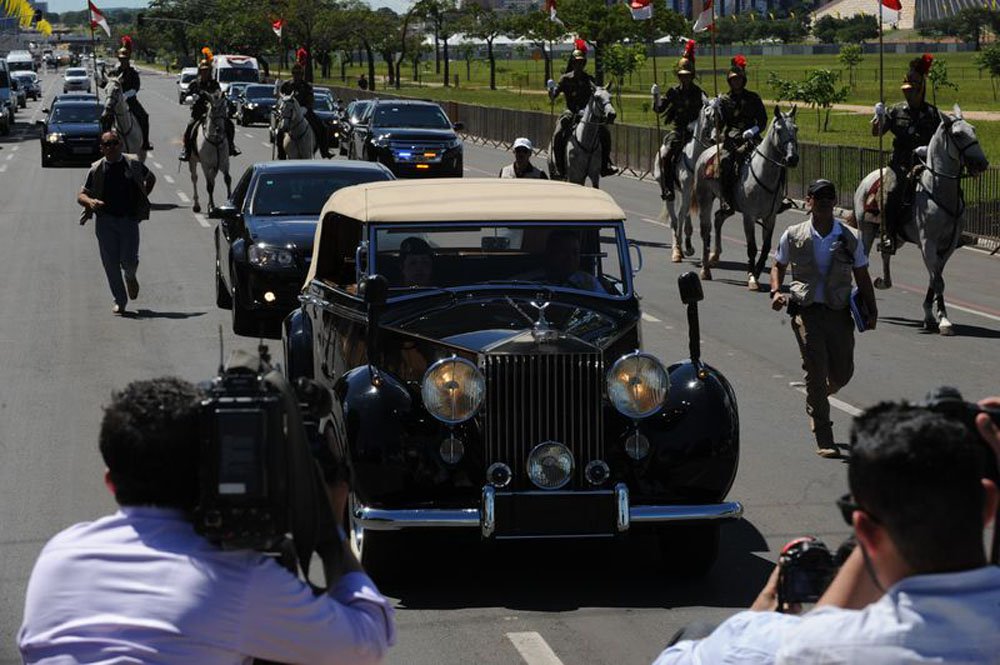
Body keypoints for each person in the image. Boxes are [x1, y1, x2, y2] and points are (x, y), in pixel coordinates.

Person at [18, 377, 396, 664]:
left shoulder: (57, 558)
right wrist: (330, 530)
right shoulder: (235, 579)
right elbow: (367, 642)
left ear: (111, 483)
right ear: (209, 473)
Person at [653, 401, 1000, 665]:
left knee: (699, 631)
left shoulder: (798, 646)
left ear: (865, 533)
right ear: (988, 505)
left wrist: (761, 612)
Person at [770, 179, 877, 458]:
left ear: (835, 202)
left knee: (842, 373)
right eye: (819, 197)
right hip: (806, 312)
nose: (825, 201)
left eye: (830, 196)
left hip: (839, 313)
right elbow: (778, 265)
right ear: (809, 202)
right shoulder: (793, 234)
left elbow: (862, 274)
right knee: (816, 370)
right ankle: (823, 434)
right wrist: (776, 291)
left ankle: (817, 397)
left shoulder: (850, 237)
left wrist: (872, 309)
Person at [77, 130, 156, 316]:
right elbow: (81, 195)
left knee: (129, 261)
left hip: (129, 220)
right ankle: (120, 301)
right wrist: (90, 202)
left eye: (114, 143)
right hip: (105, 222)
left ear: (120, 145)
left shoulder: (133, 164)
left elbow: (151, 178)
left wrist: (142, 198)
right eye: (107, 144)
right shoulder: (97, 169)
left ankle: (130, 276)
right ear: (101, 148)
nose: (111, 147)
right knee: (110, 264)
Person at [871, 54, 940, 251]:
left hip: (925, 164)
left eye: (912, 90)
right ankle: (888, 234)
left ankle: (953, 228)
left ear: (921, 89)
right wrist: (878, 116)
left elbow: (941, 139)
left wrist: (929, 149)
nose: (908, 94)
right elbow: (877, 133)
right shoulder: (896, 111)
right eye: (906, 90)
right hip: (900, 164)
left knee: (948, 185)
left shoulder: (933, 114)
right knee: (892, 191)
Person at [715, 55, 791, 221]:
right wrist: (716, 110)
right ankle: (727, 200)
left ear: (743, 80)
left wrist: (754, 130)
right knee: (725, 163)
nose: (736, 82)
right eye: (733, 80)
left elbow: (763, 120)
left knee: (778, 161)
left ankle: (780, 198)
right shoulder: (724, 100)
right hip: (733, 139)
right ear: (729, 82)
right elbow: (720, 124)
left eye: (738, 79)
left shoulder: (753, 98)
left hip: (753, 137)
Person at [546, 39, 617, 179]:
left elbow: (597, 94)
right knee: (558, 133)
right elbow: (554, 95)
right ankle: (559, 166)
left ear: (584, 64)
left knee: (605, 133)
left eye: (581, 62)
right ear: (572, 63)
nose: (578, 65)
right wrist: (551, 89)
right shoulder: (565, 79)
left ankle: (605, 165)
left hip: (586, 113)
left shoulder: (589, 79)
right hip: (570, 112)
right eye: (576, 62)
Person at [652, 39, 704, 202]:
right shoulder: (673, 92)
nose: (684, 79)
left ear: (692, 76)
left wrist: (696, 123)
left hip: (696, 131)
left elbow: (706, 112)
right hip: (679, 131)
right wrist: (656, 96)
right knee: (666, 156)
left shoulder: (699, 93)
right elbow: (659, 109)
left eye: (687, 76)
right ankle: (669, 188)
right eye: (682, 76)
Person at [179, 49, 240, 162]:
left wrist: (219, 97)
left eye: (206, 71)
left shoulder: (214, 84)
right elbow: (184, 96)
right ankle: (186, 150)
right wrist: (192, 97)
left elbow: (219, 94)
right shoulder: (194, 84)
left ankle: (231, 146)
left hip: (214, 113)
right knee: (189, 128)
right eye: (203, 71)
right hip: (198, 113)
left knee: (229, 125)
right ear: (199, 71)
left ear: (210, 71)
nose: (204, 73)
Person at [277, 48, 332, 159]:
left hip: (304, 112)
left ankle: (324, 150)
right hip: (290, 112)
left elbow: (310, 100)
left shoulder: (306, 86)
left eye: (299, 74)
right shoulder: (287, 85)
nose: (297, 76)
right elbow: (281, 97)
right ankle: (281, 154)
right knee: (280, 130)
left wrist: (305, 108)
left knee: (322, 127)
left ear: (302, 74)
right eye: (295, 73)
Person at [105, 36, 152, 151]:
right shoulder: (114, 72)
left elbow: (136, 87)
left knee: (144, 116)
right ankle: (105, 142)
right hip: (115, 101)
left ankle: (145, 142)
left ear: (128, 59)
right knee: (105, 118)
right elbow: (107, 85)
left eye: (125, 59)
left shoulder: (133, 72)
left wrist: (126, 95)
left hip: (130, 101)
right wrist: (99, 80)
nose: (123, 61)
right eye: (121, 59)